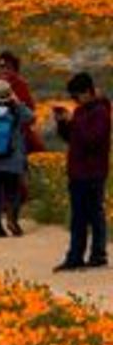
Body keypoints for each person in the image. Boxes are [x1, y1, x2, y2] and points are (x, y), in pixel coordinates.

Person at [54, 72, 110, 272]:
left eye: (76, 96)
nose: (74, 100)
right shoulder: (80, 112)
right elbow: (73, 139)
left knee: (95, 215)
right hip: (77, 172)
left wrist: (74, 123)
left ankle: (98, 254)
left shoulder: (101, 112)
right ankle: (75, 256)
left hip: (94, 172)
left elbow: (92, 140)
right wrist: (62, 123)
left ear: (88, 92)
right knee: (78, 217)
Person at [0, 77, 36, 237]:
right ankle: (12, 220)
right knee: (13, 192)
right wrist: (17, 103)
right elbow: (31, 118)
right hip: (12, 159)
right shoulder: (16, 110)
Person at [0, 51, 42, 156]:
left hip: (15, 139)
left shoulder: (19, 84)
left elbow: (29, 114)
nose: (4, 71)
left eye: (8, 68)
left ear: (15, 70)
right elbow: (30, 116)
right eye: (0, 67)